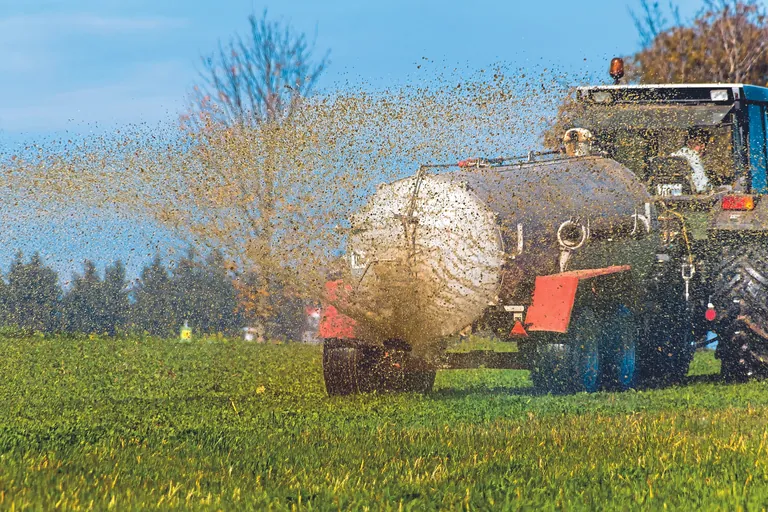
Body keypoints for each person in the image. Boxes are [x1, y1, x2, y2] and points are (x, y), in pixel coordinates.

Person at [671, 129, 711, 193]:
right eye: (699, 143)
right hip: (690, 195)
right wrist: (710, 187)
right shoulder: (693, 156)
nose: (703, 147)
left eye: (704, 143)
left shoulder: (674, 155)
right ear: (689, 143)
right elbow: (702, 185)